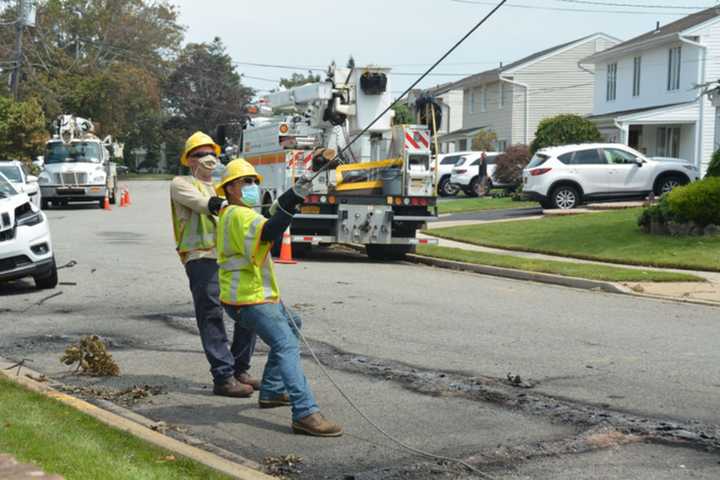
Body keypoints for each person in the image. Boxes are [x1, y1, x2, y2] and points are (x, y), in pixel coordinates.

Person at [215, 158, 343, 437]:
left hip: (243, 298)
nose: (251, 187)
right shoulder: (239, 216)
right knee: (286, 343)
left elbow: (272, 213)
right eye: (245, 182)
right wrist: (293, 201)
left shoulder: (233, 213)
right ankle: (305, 413)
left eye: (254, 182)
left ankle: (272, 391)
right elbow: (270, 232)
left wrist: (295, 193)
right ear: (230, 189)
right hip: (250, 300)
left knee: (293, 323)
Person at [170, 131, 260, 397]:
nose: (207, 159)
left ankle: (239, 368)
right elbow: (203, 205)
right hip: (200, 256)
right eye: (200, 155)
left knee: (248, 310)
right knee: (211, 314)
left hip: (229, 257)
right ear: (189, 160)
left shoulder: (223, 185)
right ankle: (223, 376)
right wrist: (225, 202)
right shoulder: (182, 182)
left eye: (211, 154)